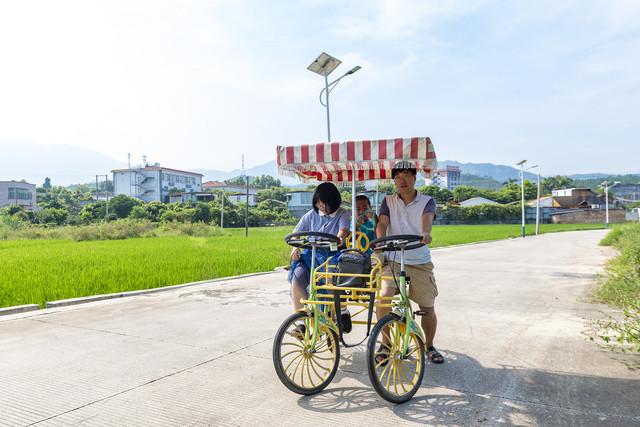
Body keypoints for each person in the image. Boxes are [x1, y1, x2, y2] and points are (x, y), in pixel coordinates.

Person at [373, 161, 444, 364]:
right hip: (394, 259)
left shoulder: (427, 201)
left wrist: (425, 233)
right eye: (397, 177)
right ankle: (386, 344)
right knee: (383, 299)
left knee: (427, 307)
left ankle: (429, 345)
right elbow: (382, 223)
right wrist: (380, 241)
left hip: (419, 259)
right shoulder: (388, 200)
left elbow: (427, 219)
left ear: (414, 177)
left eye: (405, 176)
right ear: (394, 181)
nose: (402, 180)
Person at [289, 182, 351, 329]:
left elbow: (343, 230)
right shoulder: (312, 214)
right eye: (318, 204)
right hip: (310, 255)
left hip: (332, 254)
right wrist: (295, 247)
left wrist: (339, 238)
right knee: (297, 277)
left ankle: (343, 310)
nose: (321, 207)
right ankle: (301, 322)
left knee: (331, 282)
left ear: (334, 202)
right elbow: (296, 232)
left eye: (324, 204)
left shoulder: (342, 214)